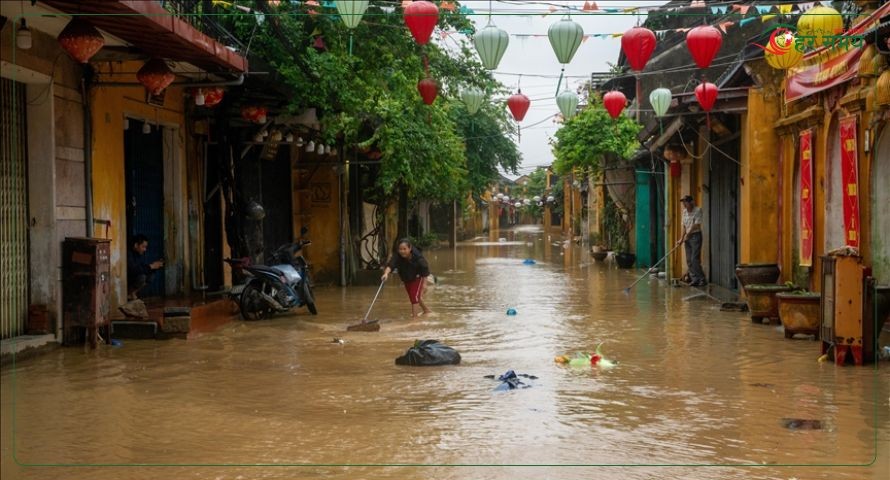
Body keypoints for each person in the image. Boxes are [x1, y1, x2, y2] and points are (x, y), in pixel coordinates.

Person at [381, 238, 431, 317]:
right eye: (400, 249)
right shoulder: (397, 255)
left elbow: (425, 268)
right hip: (406, 276)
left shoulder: (417, 256)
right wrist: (386, 274)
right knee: (414, 296)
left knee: (414, 296)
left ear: (410, 248)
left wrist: (425, 284)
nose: (402, 251)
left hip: (418, 275)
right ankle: (426, 310)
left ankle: (415, 318)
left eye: (404, 249)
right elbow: (391, 265)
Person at [676, 195, 706, 287]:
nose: (684, 204)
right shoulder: (684, 212)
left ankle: (702, 279)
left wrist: (688, 234)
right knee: (689, 260)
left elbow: (696, 225)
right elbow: (684, 226)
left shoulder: (698, 210)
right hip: (687, 238)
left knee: (694, 259)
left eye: (686, 202)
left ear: (691, 202)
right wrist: (681, 238)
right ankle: (695, 279)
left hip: (695, 236)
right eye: (684, 202)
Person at [127, 234, 164, 300]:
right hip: (128, 278)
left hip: (133, 276)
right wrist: (150, 267)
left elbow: (142, 267)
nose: (145, 249)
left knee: (151, 276)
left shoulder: (139, 254)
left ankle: (132, 293)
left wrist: (154, 266)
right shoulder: (128, 254)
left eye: (146, 247)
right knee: (142, 277)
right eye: (143, 247)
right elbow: (134, 270)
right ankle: (129, 293)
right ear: (136, 245)